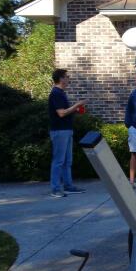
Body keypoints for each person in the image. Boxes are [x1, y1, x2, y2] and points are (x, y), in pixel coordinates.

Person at [48, 69, 87, 198]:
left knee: (67, 161)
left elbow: (65, 112)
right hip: (59, 131)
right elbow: (61, 113)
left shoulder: (61, 93)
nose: (68, 78)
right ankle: (55, 189)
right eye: (67, 76)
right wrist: (77, 105)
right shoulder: (56, 93)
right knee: (58, 161)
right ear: (61, 79)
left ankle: (68, 186)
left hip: (66, 130)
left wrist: (76, 110)